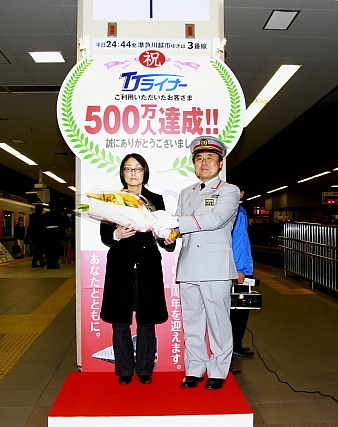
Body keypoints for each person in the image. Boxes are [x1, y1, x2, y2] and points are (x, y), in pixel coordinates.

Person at [164, 136, 240, 390]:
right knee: (193, 321)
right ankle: (195, 369)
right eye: (199, 159)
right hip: (189, 265)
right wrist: (165, 232)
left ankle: (219, 370)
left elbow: (214, 219)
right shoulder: (187, 193)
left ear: (220, 163)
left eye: (210, 158)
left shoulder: (229, 190)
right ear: (194, 164)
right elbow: (179, 227)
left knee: (218, 321)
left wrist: (175, 223)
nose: (204, 163)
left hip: (215, 266)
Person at [99, 153, 174, 385]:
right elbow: (104, 235)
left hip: (147, 264)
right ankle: (123, 370)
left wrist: (167, 239)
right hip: (120, 265)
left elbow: (161, 231)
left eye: (137, 168)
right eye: (128, 169)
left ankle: (144, 369)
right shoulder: (112, 198)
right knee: (120, 320)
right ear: (122, 173)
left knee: (146, 319)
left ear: (145, 172)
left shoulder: (155, 199)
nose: (133, 173)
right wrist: (116, 234)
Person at [230, 183, 255, 361]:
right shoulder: (234, 211)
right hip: (238, 270)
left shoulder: (241, 210)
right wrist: (239, 269)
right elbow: (237, 242)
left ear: (242, 193)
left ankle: (236, 345)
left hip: (243, 268)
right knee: (237, 310)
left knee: (242, 308)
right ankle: (233, 347)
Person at [41, 201, 69, 269]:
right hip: (56, 233)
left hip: (47, 234)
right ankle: (55, 263)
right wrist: (62, 235)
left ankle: (49, 264)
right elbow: (63, 225)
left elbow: (42, 225)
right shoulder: (59, 215)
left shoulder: (45, 215)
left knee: (48, 249)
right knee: (56, 249)